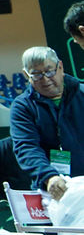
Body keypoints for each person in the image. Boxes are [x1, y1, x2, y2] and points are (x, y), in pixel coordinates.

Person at [10, 46, 84, 201]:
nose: (45, 79)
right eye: (36, 74)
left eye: (49, 71)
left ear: (61, 67)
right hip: (52, 190)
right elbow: (26, 147)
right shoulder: (22, 107)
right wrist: (48, 176)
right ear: (26, 75)